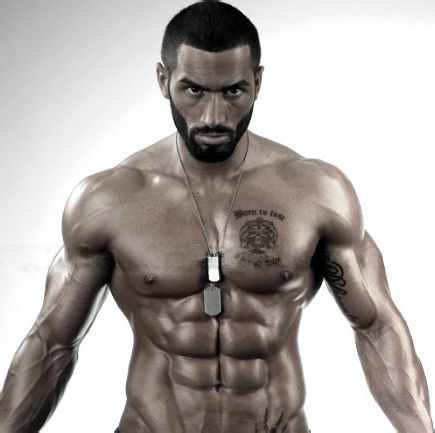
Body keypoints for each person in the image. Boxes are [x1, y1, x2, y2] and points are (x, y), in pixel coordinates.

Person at [0, 2, 433, 432]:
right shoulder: (109, 200)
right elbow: (51, 343)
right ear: (163, 80)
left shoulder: (317, 192)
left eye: (233, 92)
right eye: (194, 91)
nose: (213, 117)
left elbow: (377, 326)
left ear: (257, 82)